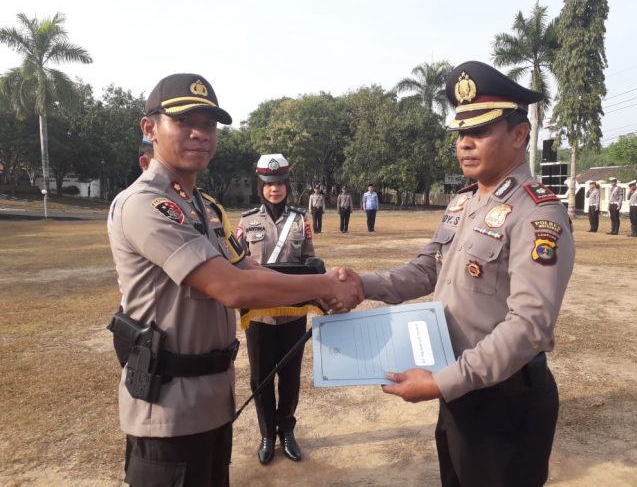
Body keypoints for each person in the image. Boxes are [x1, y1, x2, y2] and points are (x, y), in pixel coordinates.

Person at [106, 73, 363, 487]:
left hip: (210, 402)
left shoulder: (201, 206)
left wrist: (326, 281)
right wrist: (323, 288)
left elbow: (249, 269)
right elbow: (232, 287)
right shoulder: (146, 205)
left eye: (208, 124)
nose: (199, 133)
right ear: (149, 128)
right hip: (167, 410)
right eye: (185, 121)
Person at [345, 61, 575, 486]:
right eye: (461, 134)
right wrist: (363, 285)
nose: (466, 144)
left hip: (505, 400)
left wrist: (442, 382)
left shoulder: (537, 212)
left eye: (480, 132)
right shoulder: (464, 202)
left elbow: (529, 326)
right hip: (457, 389)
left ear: (519, 135)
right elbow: (426, 268)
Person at [235, 154, 314, 465]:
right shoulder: (246, 221)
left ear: (287, 185)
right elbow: (236, 262)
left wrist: (314, 265)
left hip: (293, 311)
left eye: (280, 183)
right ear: (261, 186)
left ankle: (287, 431)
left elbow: (308, 255)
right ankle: (267, 434)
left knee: (290, 376)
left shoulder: (300, 219)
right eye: (269, 184)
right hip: (258, 314)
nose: (274, 189)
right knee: (261, 377)